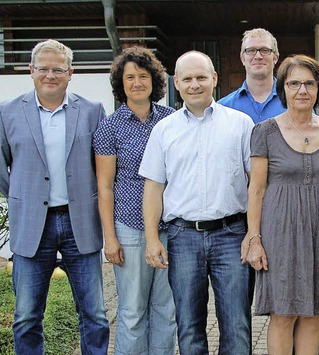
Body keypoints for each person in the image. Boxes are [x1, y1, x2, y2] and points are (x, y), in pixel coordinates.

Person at [139, 50, 254, 354]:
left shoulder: (241, 124)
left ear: (214, 79)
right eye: (187, 79)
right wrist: (152, 239)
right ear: (176, 83)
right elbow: (153, 187)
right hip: (182, 236)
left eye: (201, 77)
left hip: (232, 235)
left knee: (237, 325)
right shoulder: (164, 130)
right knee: (189, 327)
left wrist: (253, 235)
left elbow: (256, 185)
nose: (194, 84)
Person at [0, 39, 109, 353]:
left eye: (58, 69)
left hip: (80, 225)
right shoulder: (7, 112)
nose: (51, 75)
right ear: (31, 71)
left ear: (70, 73)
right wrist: (22, 195)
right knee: (26, 316)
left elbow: (102, 166)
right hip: (33, 225)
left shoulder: (91, 111)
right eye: (44, 69)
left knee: (95, 314)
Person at [242, 54, 319, 354]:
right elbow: (257, 189)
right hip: (280, 232)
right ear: (282, 89)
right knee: (283, 314)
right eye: (294, 83)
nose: (302, 90)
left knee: (313, 314)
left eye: (309, 83)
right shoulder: (265, 131)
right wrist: (254, 238)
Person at [93, 47, 176, 355]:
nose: (137, 82)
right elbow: (105, 187)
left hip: (169, 227)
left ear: (154, 80)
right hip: (129, 229)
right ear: (121, 82)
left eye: (143, 76)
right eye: (130, 77)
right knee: (131, 311)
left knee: (166, 310)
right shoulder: (109, 127)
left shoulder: (171, 120)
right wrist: (110, 238)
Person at [218, 28, 285, 123]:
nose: (258, 56)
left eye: (265, 50)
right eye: (251, 50)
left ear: (275, 58)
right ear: (242, 59)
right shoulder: (223, 107)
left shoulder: (294, 102)